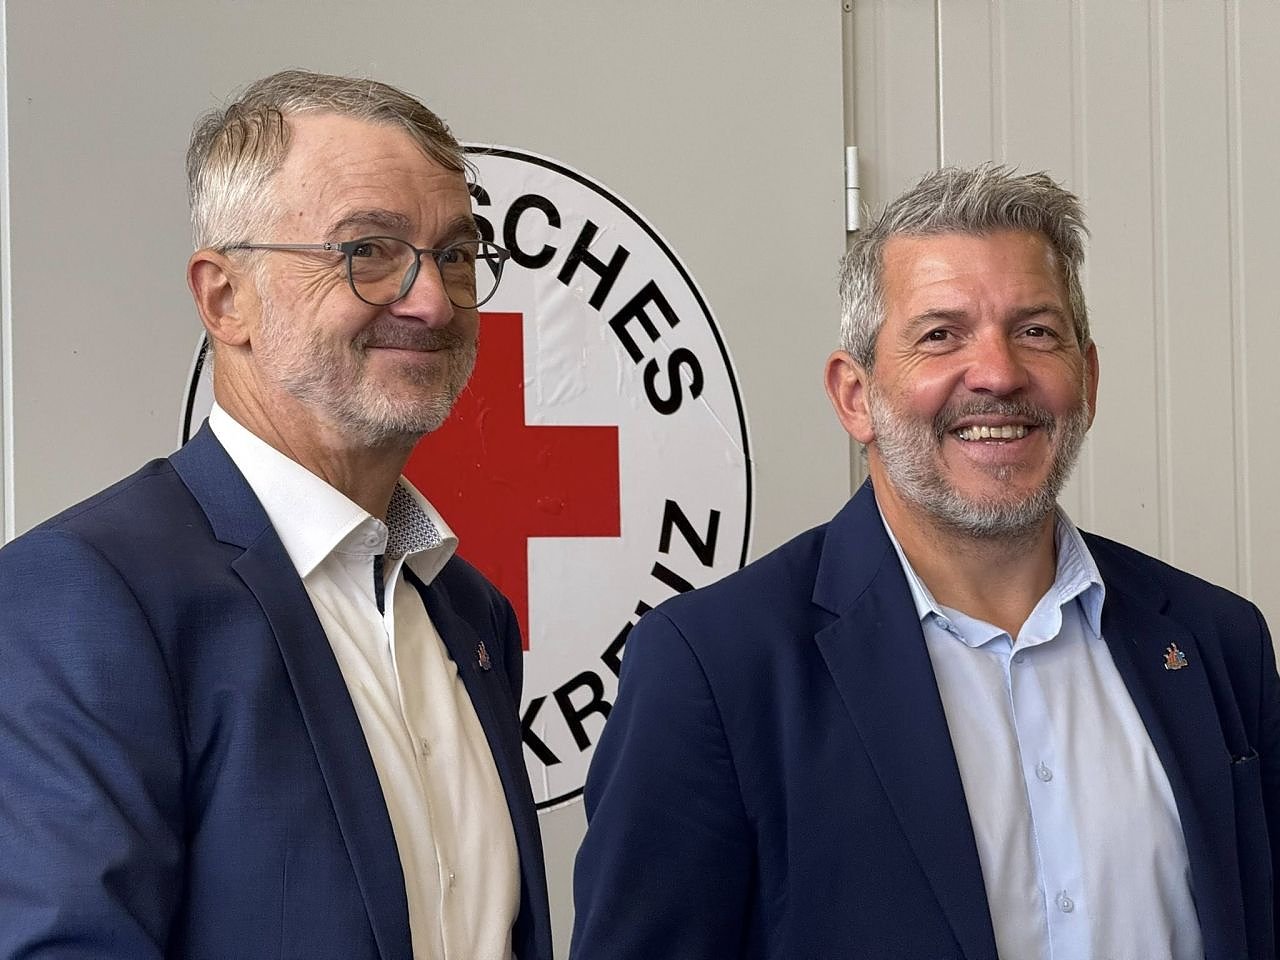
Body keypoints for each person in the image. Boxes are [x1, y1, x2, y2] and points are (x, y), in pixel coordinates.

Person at [570, 164, 1280, 960]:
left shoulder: (1220, 643)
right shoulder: (714, 667)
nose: (999, 373)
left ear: (1087, 379)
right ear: (855, 396)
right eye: (941, 334)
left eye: (1036, 332)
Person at [0, 69, 551, 960]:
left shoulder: (470, 613)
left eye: (455, 254)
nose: (432, 301)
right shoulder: (86, 598)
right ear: (225, 298)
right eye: (369, 250)